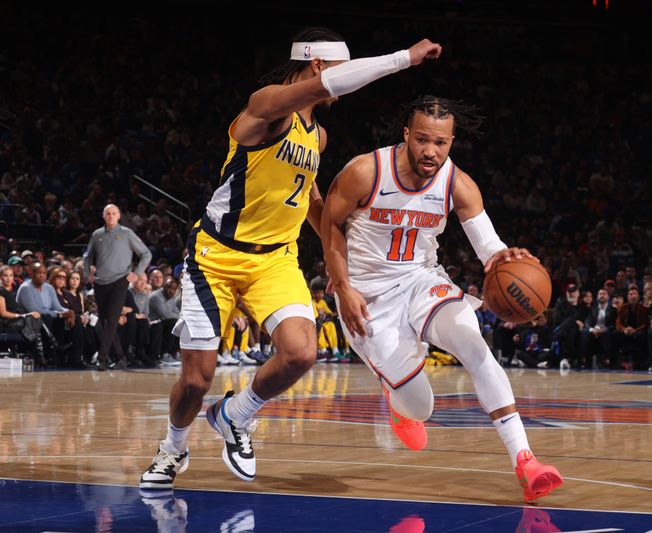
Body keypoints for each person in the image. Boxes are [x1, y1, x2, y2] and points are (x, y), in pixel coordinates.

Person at [140, 28, 443, 491]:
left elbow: (312, 203)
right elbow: (326, 87)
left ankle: (235, 416)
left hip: (275, 260)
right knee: (197, 380)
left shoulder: (317, 136)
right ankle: (172, 448)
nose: (345, 79)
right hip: (216, 256)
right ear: (318, 66)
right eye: (341, 68)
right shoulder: (265, 107)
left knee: (302, 352)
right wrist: (404, 58)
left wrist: (348, 259)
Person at [320, 96, 563, 502]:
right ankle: (398, 399)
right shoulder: (366, 171)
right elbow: (329, 223)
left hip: (422, 280)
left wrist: (506, 256)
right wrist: (342, 284)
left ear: (451, 141)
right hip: (369, 295)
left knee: (473, 342)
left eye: (441, 142)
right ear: (405, 136)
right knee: (420, 408)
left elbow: (489, 248)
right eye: (421, 140)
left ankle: (526, 460)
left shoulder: (457, 183)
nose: (430, 151)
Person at [83, 204, 152, 370]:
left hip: (120, 281)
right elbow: (87, 256)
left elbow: (146, 254)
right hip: (100, 282)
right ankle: (121, 357)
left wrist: (137, 273)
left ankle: (102, 358)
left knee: (112, 319)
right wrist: (87, 274)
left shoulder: (127, 233)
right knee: (107, 321)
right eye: (108, 213)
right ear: (103, 215)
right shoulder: (97, 234)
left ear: (119, 216)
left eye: (114, 213)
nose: (111, 216)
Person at [0, 265, 47, 367]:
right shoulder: (1, 291)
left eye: (11, 275)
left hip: (14, 322)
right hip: (5, 323)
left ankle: (41, 356)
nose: (8, 278)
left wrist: (25, 316)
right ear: (0, 277)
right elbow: (3, 313)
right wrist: (24, 315)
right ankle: (42, 355)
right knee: (32, 319)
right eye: (5, 275)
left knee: (35, 319)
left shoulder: (12, 292)